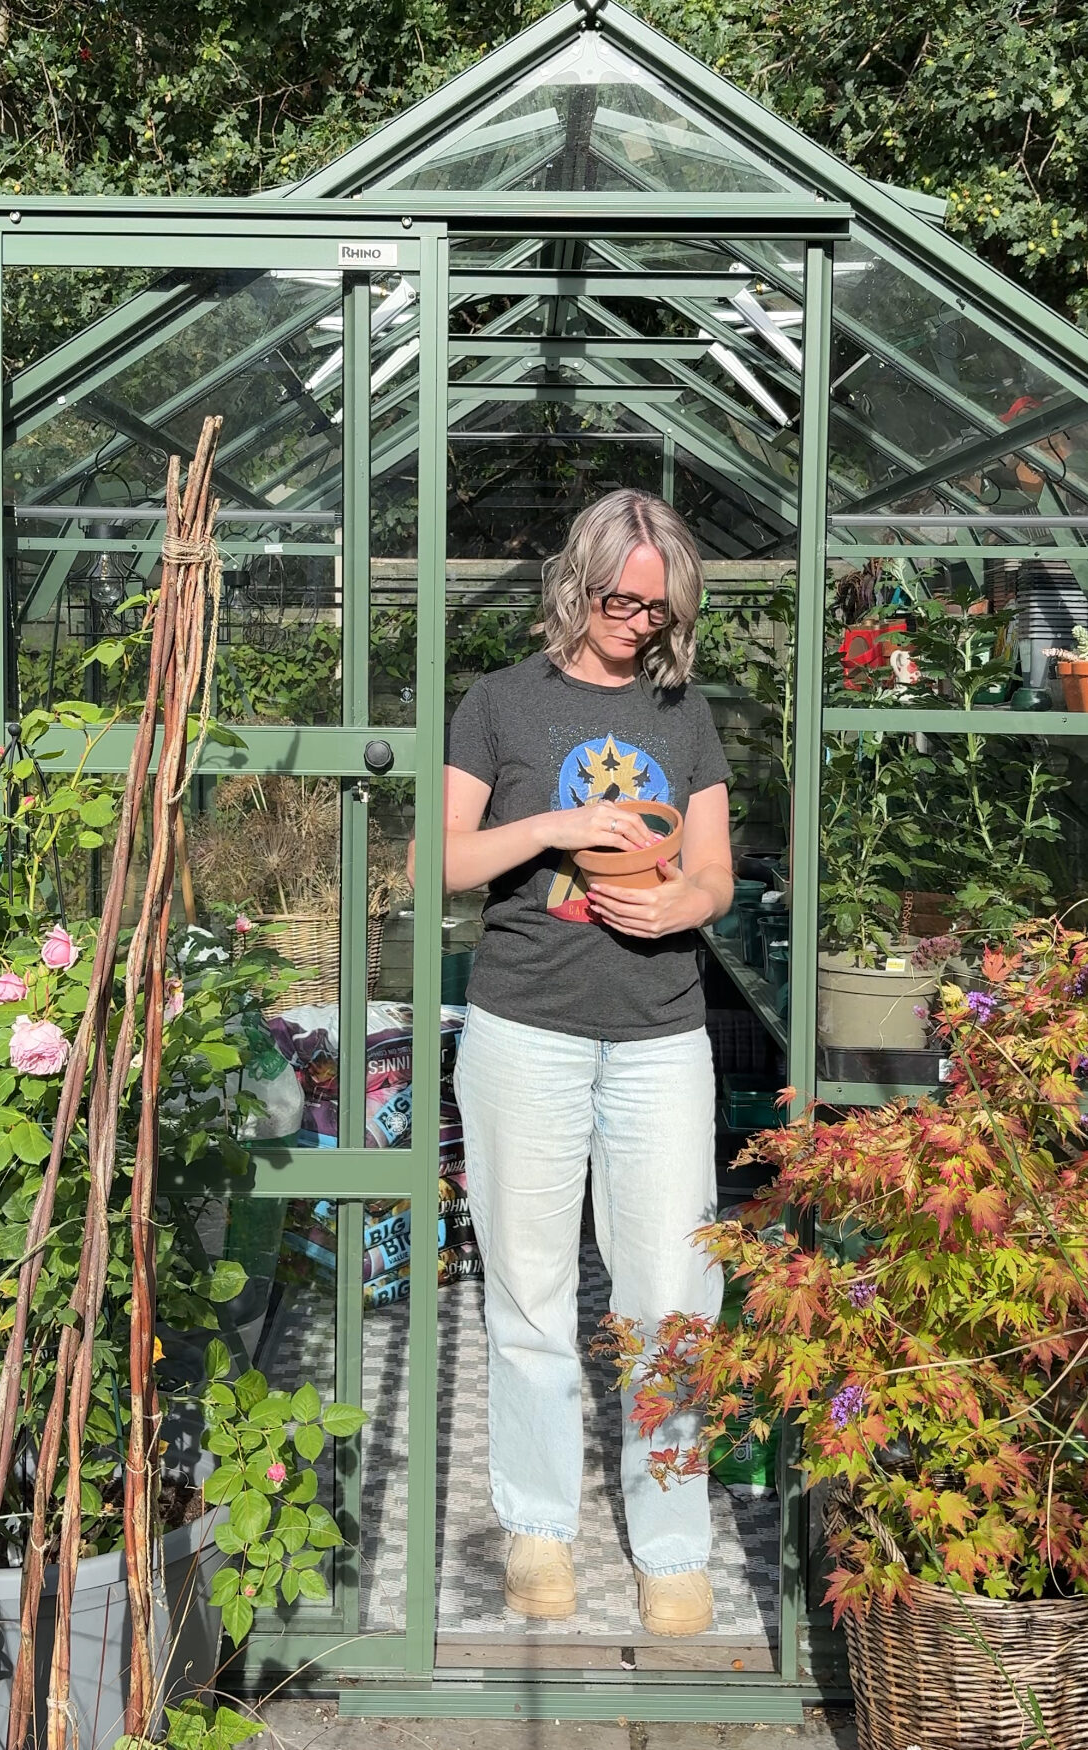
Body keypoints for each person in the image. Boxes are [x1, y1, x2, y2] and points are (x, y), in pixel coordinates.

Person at [438, 489, 734, 1637]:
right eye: (621, 599)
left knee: (670, 1292)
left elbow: (711, 872)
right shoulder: (499, 702)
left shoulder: (680, 710)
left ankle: (672, 1545)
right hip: (525, 1028)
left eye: (657, 608)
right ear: (578, 581)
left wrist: (680, 908)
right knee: (529, 1288)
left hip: (660, 1033)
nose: (637, 622)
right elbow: (442, 859)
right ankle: (538, 1529)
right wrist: (553, 829)